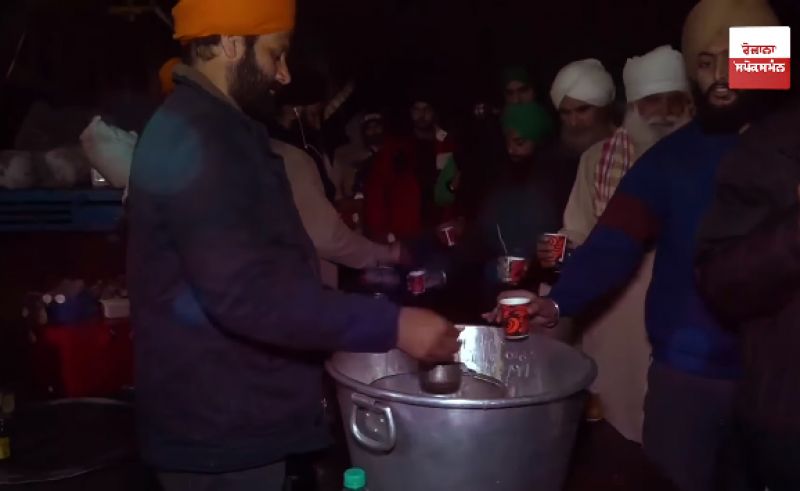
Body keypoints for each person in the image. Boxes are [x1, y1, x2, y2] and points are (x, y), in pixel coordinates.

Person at [126, 2, 459, 490]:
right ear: (230, 43)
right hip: (222, 432)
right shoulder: (201, 138)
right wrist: (392, 324)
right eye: (275, 55)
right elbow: (247, 294)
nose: (283, 76)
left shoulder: (216, 130)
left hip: (234, 413)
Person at [488, 1, 782, 487]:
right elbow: (614, 242)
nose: (721, 74)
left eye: (737, 57)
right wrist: (558, 302)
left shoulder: (787, 145)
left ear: (765, 57)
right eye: (705, 62)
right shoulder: (673, 160)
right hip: (689, 378)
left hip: (778, 378)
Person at [539, 45, 692, 443]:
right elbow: (576, 232)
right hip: (613, 307)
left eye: (673, 100)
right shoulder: (597, 159)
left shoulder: (711, 152)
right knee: (614, 426)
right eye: (650, 102)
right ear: (633, 106)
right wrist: (560, 253)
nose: (663, 112)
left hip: (683, 309)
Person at [534, 59, 617, 220]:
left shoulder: (635, 151)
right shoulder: (550, 165)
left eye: (582, 110)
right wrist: (559, 246)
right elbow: (546, 228)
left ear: (604, 108)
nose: (573, 122)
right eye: (565, 113)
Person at [363, 94, 451, 242]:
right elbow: (377, 192)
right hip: (406, 235)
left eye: (426, 109)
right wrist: (382, 234)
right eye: (416, 109)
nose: (421, 115)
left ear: (434, 112)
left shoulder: (446, 145)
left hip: (441, 230)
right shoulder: (395, 148)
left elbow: (453, 186)